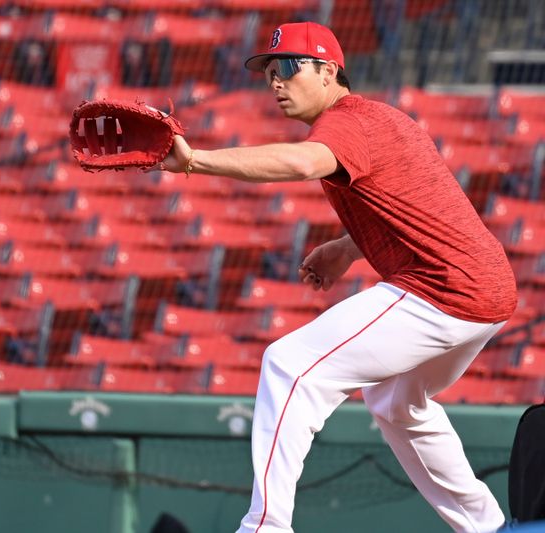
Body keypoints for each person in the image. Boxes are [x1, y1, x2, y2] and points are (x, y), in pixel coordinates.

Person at [159, 21, 517, 533]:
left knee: (288, 366)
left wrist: (195, 160)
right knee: (397, 402)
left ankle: (264, 527)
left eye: (288, 67)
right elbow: (418, 208)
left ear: (328, 71)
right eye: (268, 72)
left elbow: (304, 163)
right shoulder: (377, 120)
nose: (276, 82)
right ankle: (486, 528)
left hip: (445, 291)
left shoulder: (349, 123)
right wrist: (348, 248)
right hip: (485, 289)